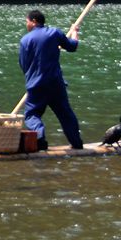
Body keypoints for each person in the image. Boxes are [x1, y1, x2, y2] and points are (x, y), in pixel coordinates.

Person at [19, 9, 84, 150]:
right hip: (55, 84)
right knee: (65, 114)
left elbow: (23, 65)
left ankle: (40, 137)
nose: (27, 24)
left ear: (34, 21)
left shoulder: (25, 40)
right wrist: (74, 31)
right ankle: (77, 143)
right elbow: (72, 46)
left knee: (32, 115)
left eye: (27, 21)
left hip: (36, 85)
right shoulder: (54, 33)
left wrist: (31, 78)